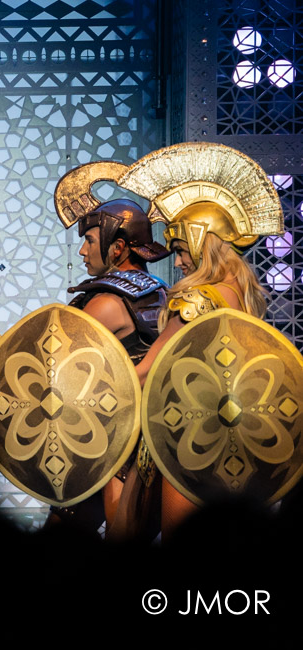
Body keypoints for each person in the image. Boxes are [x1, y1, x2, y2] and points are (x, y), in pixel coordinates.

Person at [115, 141, 281, 538]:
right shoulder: (243, 298)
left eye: (180, 248)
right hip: (243, 439)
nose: (177, 261)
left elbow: (146, 373)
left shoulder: (194, 299)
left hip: (188, 437)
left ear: (201, 242)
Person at [50, 166, 171, 538]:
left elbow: (57, 369)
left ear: (117, 247)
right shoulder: (159, 289)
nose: (83, 250)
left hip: (113, 442)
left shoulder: (105, 301)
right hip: (152, 437)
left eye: (89, 239)